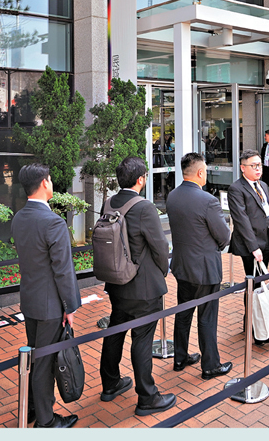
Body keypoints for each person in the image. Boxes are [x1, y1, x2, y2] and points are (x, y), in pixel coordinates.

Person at [97, 157, 176, 416]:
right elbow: (160, 246)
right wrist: (162, 271)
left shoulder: (109, 202)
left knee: (115, 331)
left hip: (116, 282)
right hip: (143, 287)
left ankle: (110, 384)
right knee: (142, 337)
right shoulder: (144, 207)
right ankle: (147, 397)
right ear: (141, 179)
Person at [10, 163, 80, 428]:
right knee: (44, 363)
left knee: (34, 356)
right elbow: (63, 270)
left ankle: (32, 408)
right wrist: (70, 306)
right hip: (51, 305)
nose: (51, 183)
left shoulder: (19, 218)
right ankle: (46, 421)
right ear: (43, 183)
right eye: (49, 179)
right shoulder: (53, 222)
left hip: (30, 299)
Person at [166, 153, 233, 379]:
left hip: (182, 265)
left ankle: (180, 357)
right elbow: (224, 236)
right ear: (200, 172)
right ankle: (210, 366)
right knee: (207, 317)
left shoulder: (172, 196)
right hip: (205, 268)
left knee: (183, 312)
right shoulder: (208, 201)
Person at [228, 150, 269, 344]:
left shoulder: (263, 185)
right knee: (254, 286)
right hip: (251, 245)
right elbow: (241, 221)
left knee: (261, 284)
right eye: (254, 166)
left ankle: (259, 325)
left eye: (259, 165)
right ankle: (255, 328)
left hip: (266, 241)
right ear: (243, 168)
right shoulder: (237, 189)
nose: (258, 169)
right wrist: (254, 247)